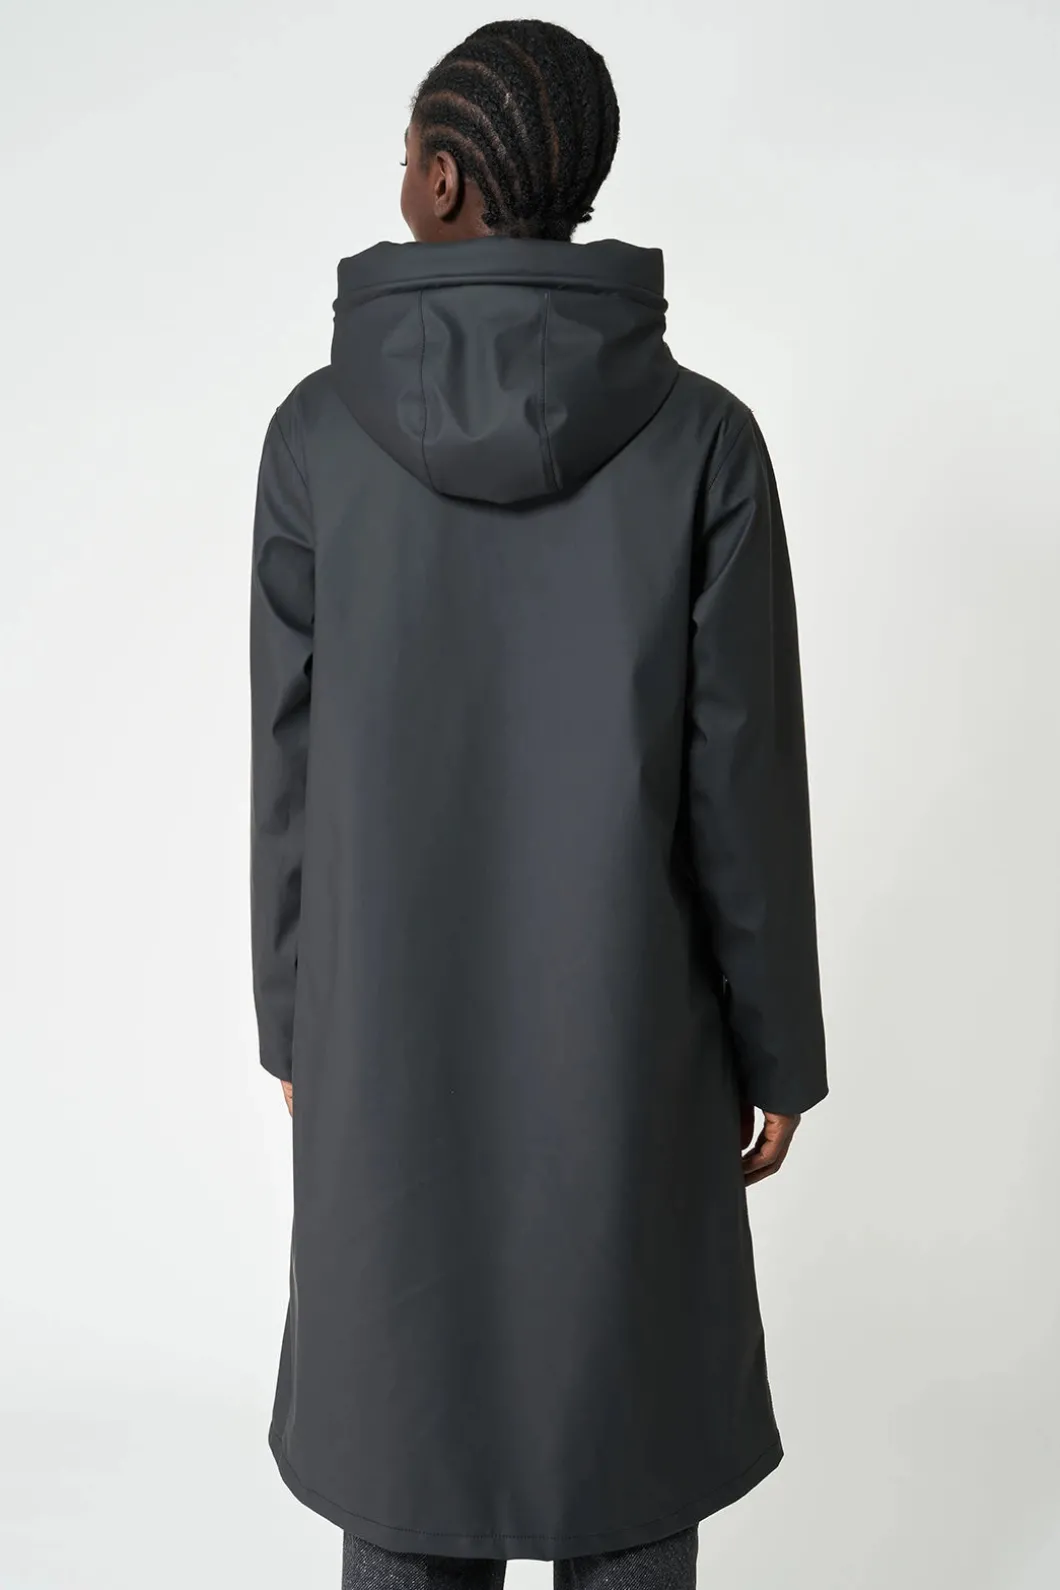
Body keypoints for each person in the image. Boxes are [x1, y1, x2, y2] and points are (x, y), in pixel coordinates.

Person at [248, 18, 828, 1590]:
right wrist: (776, 1045)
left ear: (443, 182)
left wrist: (295, 1025)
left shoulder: (313, 440)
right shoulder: (706, 444)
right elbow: (743, 776)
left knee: (408, 1456)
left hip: (383, 1047)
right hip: (631, 1049)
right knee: (621, 1456)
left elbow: (289, 766)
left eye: (405, 157)